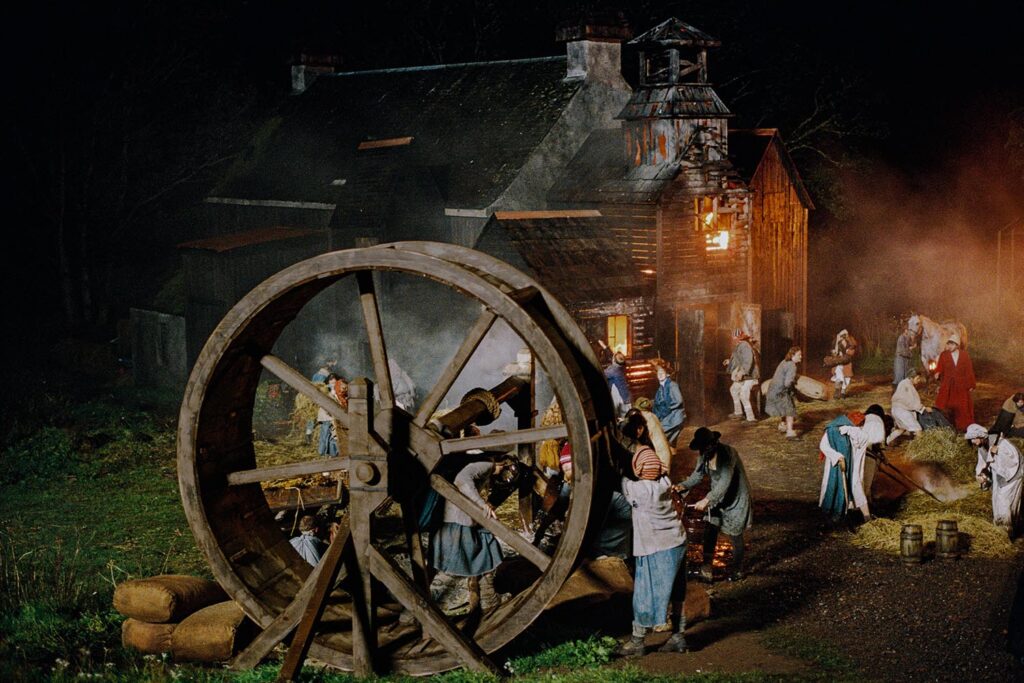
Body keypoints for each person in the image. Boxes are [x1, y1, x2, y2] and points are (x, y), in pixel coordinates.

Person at [615, 410, 688, 656]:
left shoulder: (639, 490)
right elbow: (658, 470)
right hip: (677, 541)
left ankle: (637, 642)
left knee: (645, 591)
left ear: (637, 469)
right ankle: (678, 637)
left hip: (655, 547)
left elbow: (619, 479)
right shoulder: (664, 483)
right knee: (677, 590)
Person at [429, 457, 511, 613]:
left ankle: (488, 597)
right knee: (450, 569)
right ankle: (416, 609)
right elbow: (463, 480)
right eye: (503, 466)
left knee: (487, 548)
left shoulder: (478, 465)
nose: (502, 470)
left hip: (457, 519)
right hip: (457, 521)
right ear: (500, 463)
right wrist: (482, 505)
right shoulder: (486, 465)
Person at [675, 427, 752, 584]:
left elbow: (724, 482)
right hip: (716, 498)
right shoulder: (704, 456)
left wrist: (707, 500)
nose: (704, 451)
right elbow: (696, 476)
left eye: (706, 447)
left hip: (736, 499)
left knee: (735, 534)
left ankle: (737, 570)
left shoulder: (728, 454)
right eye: (702, 448)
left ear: (714, 443)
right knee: (710, 528)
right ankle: (706, 568)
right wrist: (682, 486)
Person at [967, 424, 1022, 538]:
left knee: (1005, 503)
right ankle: (1000, 531)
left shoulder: (1002, 443)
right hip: (999, 474)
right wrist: (980, 475)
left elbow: (1014, 460)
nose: (972, 441)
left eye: (974, 438)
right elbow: (982, 464)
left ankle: (1007, 532)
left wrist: (999, 452)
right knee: (996, 500)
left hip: (1013, 475)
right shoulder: (982, 447)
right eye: (971, 439)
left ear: (981, 436)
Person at [833, 409, 886, 522]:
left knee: (858, 484)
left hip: (856, 456)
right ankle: (859, 511)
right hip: (856, 459)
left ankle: (861, 509)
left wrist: (882, 458)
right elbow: (875, 444)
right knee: (860, 483)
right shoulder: (873, 423)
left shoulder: (862, 422)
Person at [818, 411, 864, 524]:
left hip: (848, 464)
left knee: (844, 487)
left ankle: (840, 513)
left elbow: (858, 442)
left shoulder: (849, 430)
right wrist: (837, 456)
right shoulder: (831, 430)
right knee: (833, 485)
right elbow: (823, 446)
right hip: (834, 465)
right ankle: (828, 512)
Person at [933, 333, 976, 431]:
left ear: (957, 345)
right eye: (948, 344)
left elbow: (969, 370)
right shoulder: (944, 355)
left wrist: (971, 384)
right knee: (947, 404)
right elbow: (939, 367)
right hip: (948, 384)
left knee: (962, 405)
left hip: (961, 384)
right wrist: (938, 372)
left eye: (952, 344)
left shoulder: (964, 355)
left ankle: (962, 426)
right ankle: (947, 425)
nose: (949, 346)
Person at [765, 346, 802, 438]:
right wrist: (794, 384)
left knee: (783, 407)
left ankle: (782, 425)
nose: (801, 357)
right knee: (790, 410)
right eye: (799, 355)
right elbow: (787, 383)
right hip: (781, 390)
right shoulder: (792, 366)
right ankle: (789, 431)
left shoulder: (784, 362)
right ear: (792, 355)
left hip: (773, 389)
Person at [887, 370, 932, 444]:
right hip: (901, 411)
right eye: (917, 378)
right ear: (911, 377)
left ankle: (887, 441)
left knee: (902, 429)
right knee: (918, 429)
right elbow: (910, 401)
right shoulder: (907, 385)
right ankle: (920, 448)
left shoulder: (904, 383)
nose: (919, 380)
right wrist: (924, 408)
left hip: (896, 409)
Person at [724, 331, 759, 422]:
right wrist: (729, 362)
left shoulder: (745, 345)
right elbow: (739, 360)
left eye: (735, 337)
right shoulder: (740, 345)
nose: (734, 339)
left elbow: (748, 361)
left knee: (744, 395)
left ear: (740, 337)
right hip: (744, 376)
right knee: (734, 390)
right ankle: (738, 412)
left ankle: (751, 418)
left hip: (749, 376)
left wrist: (741, 372)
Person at [652, 360, 685, 448]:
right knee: (669, 442)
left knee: (660, 434)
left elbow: (679, 400)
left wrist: (667, 408)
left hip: (675, 416)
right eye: (658, 373)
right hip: (669, 416)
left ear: (667, 374)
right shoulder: (660, 388)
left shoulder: (672, 385)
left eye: (662, 372)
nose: (660, 375)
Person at [830, 330, 857, 398]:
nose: (843, 336)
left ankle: (843, 391)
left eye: (844, 335)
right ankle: (837, 391)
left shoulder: (850, 340)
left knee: (847, 377)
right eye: (841, 335)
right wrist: (837, 341)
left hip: (847, 362)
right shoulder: (837, 342)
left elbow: (853, 347)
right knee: (839, 375)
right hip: (839, 362)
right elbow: (834, 352)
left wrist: (848, 350)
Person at [605, 351, 632, 418]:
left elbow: (602, 373)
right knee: (626, 417)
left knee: (621, 417)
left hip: (620, 398)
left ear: (613, 360)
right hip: (626, 397)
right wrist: (606, 349)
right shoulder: (622, 367)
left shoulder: (613, 370)